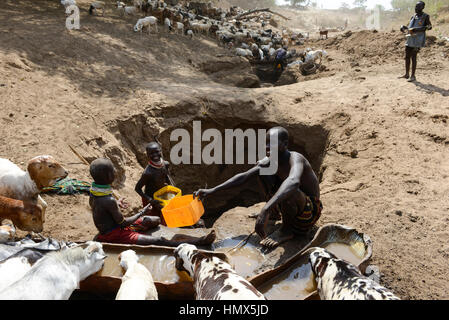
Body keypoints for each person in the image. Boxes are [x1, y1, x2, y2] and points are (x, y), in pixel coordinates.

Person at [194, 127, 322, 249]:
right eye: (266, 143)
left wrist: (265, 209)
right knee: (260, 168)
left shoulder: (295, 158)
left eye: (271, 143)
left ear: (285, 144)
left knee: (290, 189)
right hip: (287, 206)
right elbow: (243, 177)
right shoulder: (270, 161)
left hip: (307, 213)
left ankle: (286, 230)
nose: (267, 147)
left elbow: (293, 181)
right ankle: (274, 213)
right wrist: (212, 190)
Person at [89, 158, 215, 246]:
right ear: (107, 176)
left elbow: (102, 208)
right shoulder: (108, 199)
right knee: (160, 240)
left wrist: (117, 204)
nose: (115, 173)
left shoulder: (95, 192)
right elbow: (123, 223)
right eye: (113, 171)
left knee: (154, 220)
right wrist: (142, 212)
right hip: (115, 234)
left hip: (114, 227)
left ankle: (138, 228)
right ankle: (199, 241)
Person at [134, 142, 174, 226]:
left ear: (161, 151)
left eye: (157, 152)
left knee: (166, 219)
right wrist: (151, 200)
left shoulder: (165, 164)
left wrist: (172, 188)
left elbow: (166, 176)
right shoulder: (148, 173)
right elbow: (137, 188)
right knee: (153, 222)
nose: (155, 155)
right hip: (150, 198)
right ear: (147, 155)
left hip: (162, 196)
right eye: (151, 153)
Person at [399, 1, 432, 82]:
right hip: (410, 38)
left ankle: (413, 76)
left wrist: (417, 29)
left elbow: (429, 27)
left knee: (414, 57)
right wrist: (403, 27)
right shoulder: (413, 16)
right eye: (415, 6)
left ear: (422, 7)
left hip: (418, 40)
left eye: (418, 6)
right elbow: (410, 28)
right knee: (407, 56)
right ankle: (407, 74)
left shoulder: (425, 16)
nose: (416, 8)